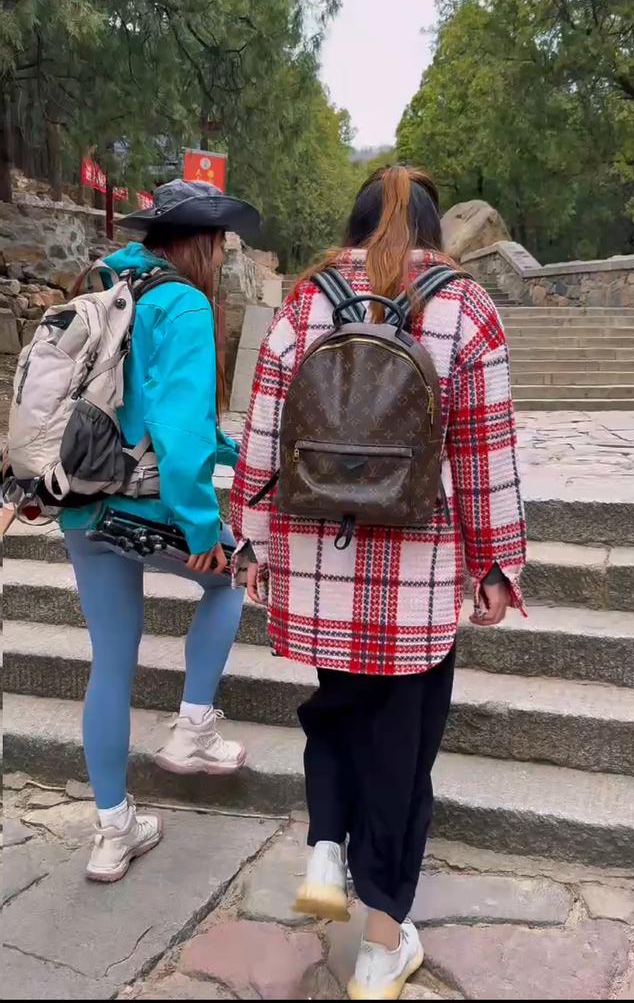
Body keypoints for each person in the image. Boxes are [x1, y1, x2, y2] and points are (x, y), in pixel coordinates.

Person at [230, 165, 526, 1000]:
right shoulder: (465, 305)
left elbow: (262, 435)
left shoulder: (306, 301)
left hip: (320, 565)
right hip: (415, 577)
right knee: (401, 756)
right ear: (433, 229)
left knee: (334, 712)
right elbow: (485, 451)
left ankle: (327, 853)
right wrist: (494, 563)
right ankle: (380, 949)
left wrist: (251, 545)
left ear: (354, 225)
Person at [61, 179, 261, 883]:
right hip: (144, 502)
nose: (223, 255)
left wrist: (231, 449)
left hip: (83, 499)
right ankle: (194, 727)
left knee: (110, 662)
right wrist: (204, 527)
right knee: (233, 575)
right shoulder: (184, 303)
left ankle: (113, 830)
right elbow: (176, 433)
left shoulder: (101, 283)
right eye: (222, 243)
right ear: (200, 242)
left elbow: (133, 408)